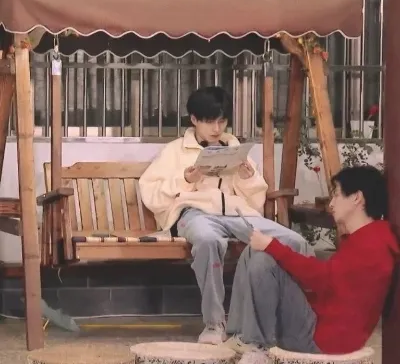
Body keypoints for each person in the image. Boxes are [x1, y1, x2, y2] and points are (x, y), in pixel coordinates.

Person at [139, 86, 313, 345]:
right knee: (208, 241)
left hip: (236, 212)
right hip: (195, 213)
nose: (216, 128)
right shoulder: (175, 151)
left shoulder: (234, 147)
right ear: (194, 119)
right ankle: (214, 324)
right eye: (209, 121)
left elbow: (255, 201)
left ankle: (297, 321)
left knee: (293, 240)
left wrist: (247, 178)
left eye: (222, 121)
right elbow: (151, 194)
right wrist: (186, 180)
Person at [224, 165, 399, 364]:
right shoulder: (368, 238)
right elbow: (332, 287)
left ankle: (257, 346)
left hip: (324, 342)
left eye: (337, 195)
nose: (331, 204)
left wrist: (273, 247)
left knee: (264, 261)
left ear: (357, 198)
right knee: (255, 251)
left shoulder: (372, 245)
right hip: (322, 328)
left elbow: (322, 278)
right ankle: (240, 336)